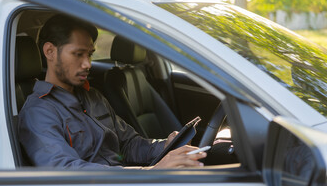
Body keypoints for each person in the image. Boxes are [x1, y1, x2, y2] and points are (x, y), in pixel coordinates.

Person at [18, 14, 206, 169]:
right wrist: (149, 173)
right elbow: (66, 171)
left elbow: (129, 144)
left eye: (90, 54)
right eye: (78, 54)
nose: (87, 64)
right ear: (50, 51)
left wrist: (165, 145)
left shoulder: (94, 97)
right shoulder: (38, 112)